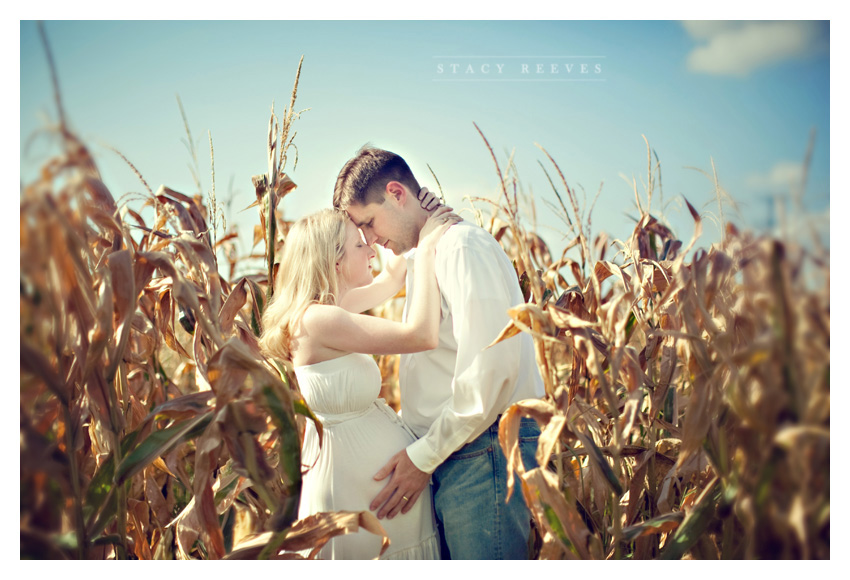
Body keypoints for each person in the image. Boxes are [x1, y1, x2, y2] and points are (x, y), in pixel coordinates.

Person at [333, 146, 546, 560]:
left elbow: (491, 370)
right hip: (462, 452)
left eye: (369, 224)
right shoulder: (428, 253)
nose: (372, 241)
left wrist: (422, 458)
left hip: (483, 450)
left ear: (397, 193)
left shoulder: (461, 248)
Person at [258, 198, 460, 560]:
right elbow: (421, 335)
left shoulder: (332, 310)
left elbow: (392, 276)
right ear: (334, 260)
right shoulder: (319, 320)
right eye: (359, 244)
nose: (370, 250)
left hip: (373, 497)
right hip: (358, 498)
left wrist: (412, 215)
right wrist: (428, 247)